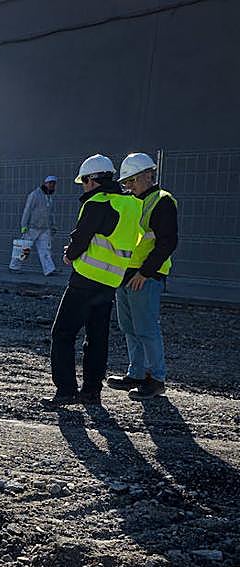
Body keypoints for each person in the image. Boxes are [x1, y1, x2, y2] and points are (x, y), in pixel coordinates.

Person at [43, 154, 142, 408]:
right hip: (111, 280)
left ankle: (66, 391)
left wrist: (69, 254)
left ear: (92, 180)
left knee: (63, 333)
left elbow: (82, 237)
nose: (84, 187)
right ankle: (91, 393)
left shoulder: (97, 202)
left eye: (84, 182)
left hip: (86, 278)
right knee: (97, 338)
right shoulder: (131, 204)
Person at [107, 152, 178, 400]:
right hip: (126, 274)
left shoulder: (162, 201)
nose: (129, 186)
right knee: (129, 327)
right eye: (127, 182)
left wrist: (145, 273)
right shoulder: (133, 201)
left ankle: (155, 379)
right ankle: (136, 373)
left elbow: (167, 242)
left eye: (133, 181)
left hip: (146, 276)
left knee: (146, 328)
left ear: (148, 175)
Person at [10, 175, 58, 275]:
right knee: (23, 248)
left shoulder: (49, 197)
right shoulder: (35, 195)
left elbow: (51, 213)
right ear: (45, 183)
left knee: (45, 250)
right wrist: (24, 225)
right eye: (50, 183)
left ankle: (49, 270)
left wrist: (52, 226)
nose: (51, 185)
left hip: (45, 229)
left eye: (53, 184)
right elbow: (27, 210)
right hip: (32, 227)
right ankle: (14, 267)